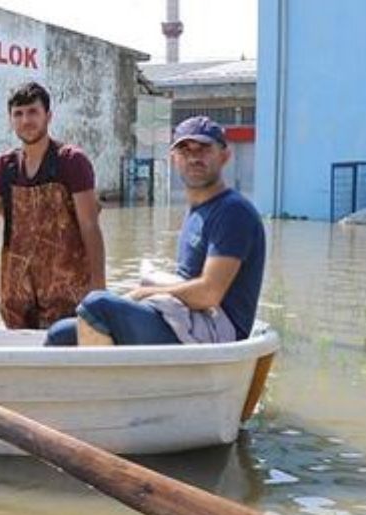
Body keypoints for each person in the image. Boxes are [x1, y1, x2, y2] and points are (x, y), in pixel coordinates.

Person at [45, 116, 266, 347]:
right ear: (173, 159)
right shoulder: (197, 211)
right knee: (59, 334)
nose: (194, 157)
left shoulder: (232, 212)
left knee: (96, 305)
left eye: (204, 149)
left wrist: (146, 293)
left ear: (224, 156)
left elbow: (209, 294)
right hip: (187, 317)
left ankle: (109, 382)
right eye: (185, 150)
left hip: (217, 329)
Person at [0, 81, 106, 329]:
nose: (26, 120)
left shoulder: (71, 161)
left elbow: (90, 226)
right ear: (11, 120)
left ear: (48, 116)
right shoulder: (5, 167)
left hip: (68, 294)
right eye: (18, 114)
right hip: (17, 296)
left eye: (33, 112)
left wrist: (99, 287)